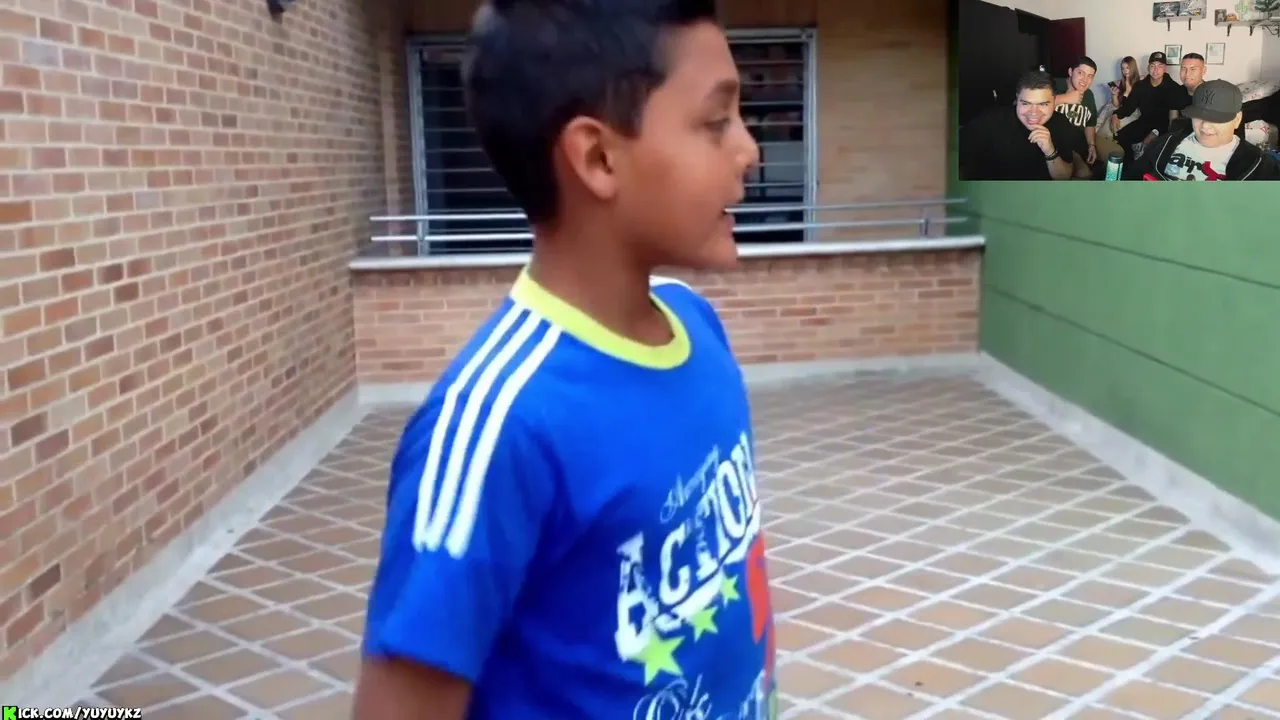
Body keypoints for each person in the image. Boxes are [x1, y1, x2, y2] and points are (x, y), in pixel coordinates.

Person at [354, 1, 777, 719]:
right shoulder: (498, 428)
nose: (749, 150)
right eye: (715, 122)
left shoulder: (698, 325)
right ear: (598, 158)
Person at [1124, 79, 1280, 180]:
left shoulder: (1258, 165)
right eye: (1199, 115)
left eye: (1217, 118)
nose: (1205, 125)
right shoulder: (1166, 143)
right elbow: (1131, 178)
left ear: (1237, 120)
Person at [959, 70, 1086, 180]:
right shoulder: (990, 120)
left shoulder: (1060, 122)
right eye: (1026, 103)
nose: (1034, 113)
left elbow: (1063, 177)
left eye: (1043, 104)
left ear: (1054, 102)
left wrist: (1050, 151)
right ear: (1017, 99)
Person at [1112, 51, 1185, 163]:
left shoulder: (1174, 88)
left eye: (1160, 66)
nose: (1155, 70)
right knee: (1121, 138)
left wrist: (1156, 132)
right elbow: (1129, 108)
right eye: (1152, 66)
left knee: (1155, 150)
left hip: (1164, 126)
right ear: (1148, 67)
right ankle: (1128, 169)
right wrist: (1116, 114)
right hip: (1144, 122)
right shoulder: (1140, 86)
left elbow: (1175, 119)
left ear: (1165, 68)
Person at [1053, 56, 1100, 177]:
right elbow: (1032, 105)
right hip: (1054, 144)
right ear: (1070, 71)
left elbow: (1090, 124)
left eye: (1090, 76)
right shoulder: (1053, 85)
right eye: (1080, 73)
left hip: (1078, 146)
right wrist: (1064, 98)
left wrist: (1091, 145)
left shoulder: (1089, 95)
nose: (1085, 80)